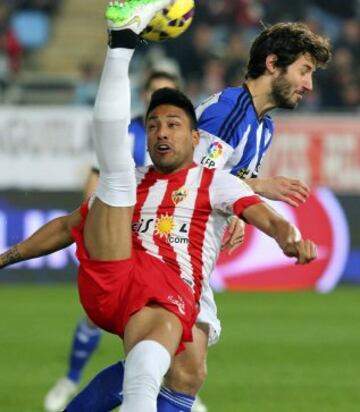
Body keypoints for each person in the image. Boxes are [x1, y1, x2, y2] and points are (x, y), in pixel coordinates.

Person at [0, 1, 318, 411]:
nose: (308, 85)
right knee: (180, 363)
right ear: (273, 64)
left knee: (184, 369)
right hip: (172, 244)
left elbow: (217, 184)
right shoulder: (230, 114)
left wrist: (243, 203)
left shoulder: (263, 124)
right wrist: (255, 192)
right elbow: (190, 179)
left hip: (187, 244)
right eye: (304, 72)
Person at [43, 69, 183, 412]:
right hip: (122, 239)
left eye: (167, 92)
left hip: (164, 242)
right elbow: (96, 179)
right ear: (145, 95)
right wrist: (96, 227)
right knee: (98, 317)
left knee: (173, 319)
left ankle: (175, 387)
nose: (159, 98)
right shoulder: (126, 133)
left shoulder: (186, 138)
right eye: (154, 92)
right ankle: (70, 380)